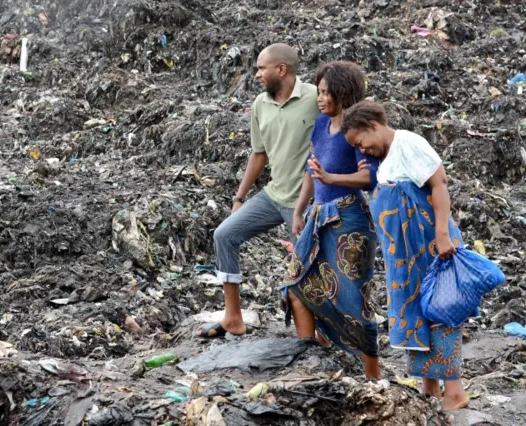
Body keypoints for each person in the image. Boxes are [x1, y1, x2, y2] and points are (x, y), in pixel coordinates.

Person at [340, 100, 470, 410]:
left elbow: (438, 185)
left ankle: (455, 392)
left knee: (440, 314)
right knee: (416, 319)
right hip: (407, 261)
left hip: (430, 250)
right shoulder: (387, 160)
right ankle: (430, 390)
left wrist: (441, 234)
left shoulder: (407, 142)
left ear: (372, 126)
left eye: (361, 143)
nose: (363, 150)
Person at [196, 43, 320, 338]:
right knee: (224, 235)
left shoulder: (315, 97)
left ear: (282, 70)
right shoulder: (260, 105)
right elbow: (259, 154)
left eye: (261, 68)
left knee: (308, 267)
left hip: (303, 202)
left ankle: (316, 335)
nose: (256, 75)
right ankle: (233, 318)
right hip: (274, 194)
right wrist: (240, 198)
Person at [279, 61, 381, 379]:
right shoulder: (321, 125)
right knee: (297, 285)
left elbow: (370, 176)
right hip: (318, 217)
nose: (320, 98)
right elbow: (313, 171)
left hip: (350, 220)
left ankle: (373, 376)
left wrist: (331, 175)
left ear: (343, 93)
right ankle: (308, 360)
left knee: (353, 300)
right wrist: (298, 211)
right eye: (319, 91)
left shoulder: (356, 128)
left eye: (326, 92)